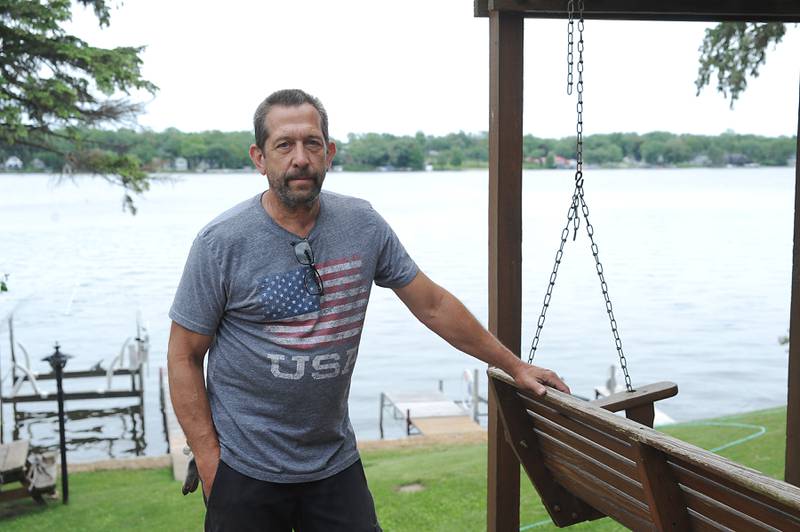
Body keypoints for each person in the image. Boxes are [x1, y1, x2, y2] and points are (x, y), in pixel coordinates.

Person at [167, 88, 569, 532]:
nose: (300, 157)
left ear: (329, 153)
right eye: (284, 145)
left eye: (312, 143)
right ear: (259, 158)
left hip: (332, 462)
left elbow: (433, 305)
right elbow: (184, 354)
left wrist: (514, 366)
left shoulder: (362, 225)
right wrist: (208, 460)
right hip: (246, 470)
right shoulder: (221, 243)